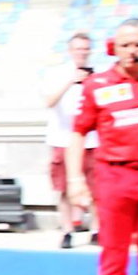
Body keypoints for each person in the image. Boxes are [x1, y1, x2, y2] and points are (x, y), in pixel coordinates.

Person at [71, 17, 138, 275]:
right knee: (114, 259)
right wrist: (76, 180)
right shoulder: (97, 85)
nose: (133, 51)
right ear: (114, 48)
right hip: (114, 177)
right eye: (127, 45)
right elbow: (77, 133)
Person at [44, 31, 99, 248]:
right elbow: (49, 100)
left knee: (96, 188)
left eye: (85, 49)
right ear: (70, 51)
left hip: (92, 140)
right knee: (65, 189)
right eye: (78, 49)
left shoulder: (98, 75)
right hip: (63, 139)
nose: (82, 53)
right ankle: (67, 230)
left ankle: (97, 229)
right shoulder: (56, 73)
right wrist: (71, 80)